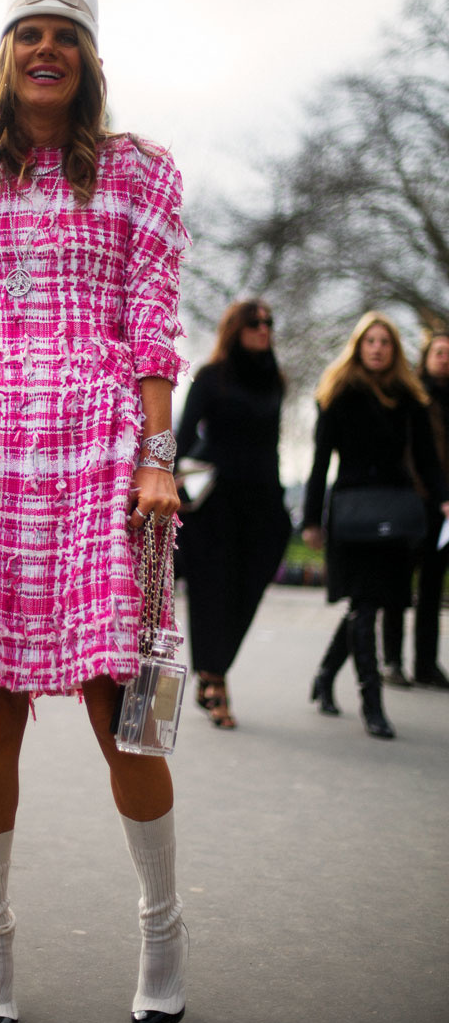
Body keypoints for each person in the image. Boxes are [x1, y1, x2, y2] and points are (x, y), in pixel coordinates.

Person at [0, 0, 188, 1023]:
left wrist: (157, 454)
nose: (44, 48)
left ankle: (161, 925)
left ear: (89, 58)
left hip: (97, 447)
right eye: (27, 32)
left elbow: (153, 317)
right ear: (3, 53)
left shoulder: (138, 172)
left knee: (121, 707)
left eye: (63, 33)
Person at [302, 313, 449, 738]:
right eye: (370, 341)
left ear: (395, 349)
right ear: (358, 346)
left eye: (385, 341)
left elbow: (426, 459)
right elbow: (319, 463)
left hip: (397, 509)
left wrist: (442, 499)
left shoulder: (410, 397)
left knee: (373, 602)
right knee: (364, 604)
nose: (378, 348)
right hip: (351, 513)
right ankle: (373, 704)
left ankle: (325, 676)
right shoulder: (338, 394)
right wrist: (312, 520)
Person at [173, 300, 291, 728]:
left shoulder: (275, 381)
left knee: (247, 591)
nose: (263, 330)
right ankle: (214, 681)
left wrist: (280, 506)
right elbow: (182, 439)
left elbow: (274, 445)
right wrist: (163, 484)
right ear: (235, 329)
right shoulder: (210, 377)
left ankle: (214, 672)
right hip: (214, 506)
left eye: (268, 323)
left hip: (262, 504)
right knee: (211, 593)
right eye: (254, 323)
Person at [380, 331, 449, 689]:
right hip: (411, 500)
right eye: (439, 352)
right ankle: (392, 660)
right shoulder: (412, 396)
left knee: (433, 587)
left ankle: (425, 663)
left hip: (445, 508)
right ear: (426, 357)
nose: (444, 358)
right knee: (397, 584)